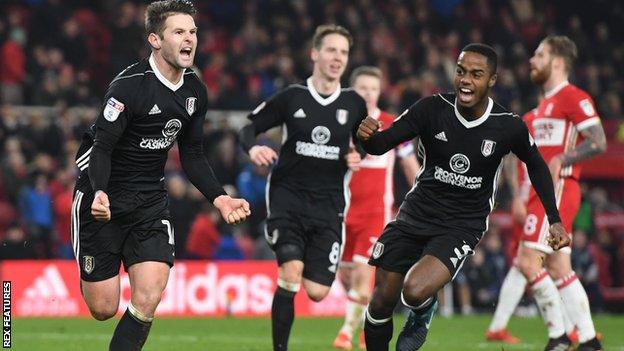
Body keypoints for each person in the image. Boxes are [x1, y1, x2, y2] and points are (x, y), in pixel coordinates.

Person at [357, 43, 571, 351]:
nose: (466, 80)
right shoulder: (431, 109)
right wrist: (362, 134)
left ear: (492, 80)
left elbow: (537, 166)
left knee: (413, 291)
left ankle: (422, 311)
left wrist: (555, 219)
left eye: (476, 74)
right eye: (460, 72)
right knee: (380, 302)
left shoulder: (507, 125)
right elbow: (378, 145)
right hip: (415, 214)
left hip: (461, 224)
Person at [70, 1, 250, 350]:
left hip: (150, 199)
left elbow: (193, 155)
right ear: (155, 39)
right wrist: (100, 191)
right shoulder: (128, 87)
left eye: (193, 32)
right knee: (103, 308)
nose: (190, 39)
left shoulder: (194, 92)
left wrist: (220, 197)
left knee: (149, 297)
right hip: (102, 195)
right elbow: (102, 149)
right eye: (179, 31)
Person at [238, 24, 368, 351]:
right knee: (290, 273)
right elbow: (250, 127)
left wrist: (358, 154)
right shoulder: (292, 97)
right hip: (288, 200)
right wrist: (253, 148)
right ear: (315, 53)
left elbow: (368, 142)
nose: (337, 58)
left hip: (329, 206)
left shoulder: (354, 104)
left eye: (343, 52)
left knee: (317, 291)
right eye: (331, 50)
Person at [513, 35, 606, 351]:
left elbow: (598, 141)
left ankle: (559, 336)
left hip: (558, 189)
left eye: (539, 55)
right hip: (540, 193)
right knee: (557, 268)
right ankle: (590, 340)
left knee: (529, 262)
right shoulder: (543, 107)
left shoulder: (572, 96)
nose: (531, 61)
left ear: (557, 62)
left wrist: (563, 158)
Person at [332, 66, 419, 351]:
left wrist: (422, 190)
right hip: (342, 210)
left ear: (379, 92)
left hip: (374, 212)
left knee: (361, 272)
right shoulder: (340, 122)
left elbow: (408, 163)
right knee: (344, 276)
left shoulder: (392, 124)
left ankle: (346, 332)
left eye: (373, 88)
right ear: (352, 91)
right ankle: (360, 323)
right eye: (362, 88)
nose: (368, 93)